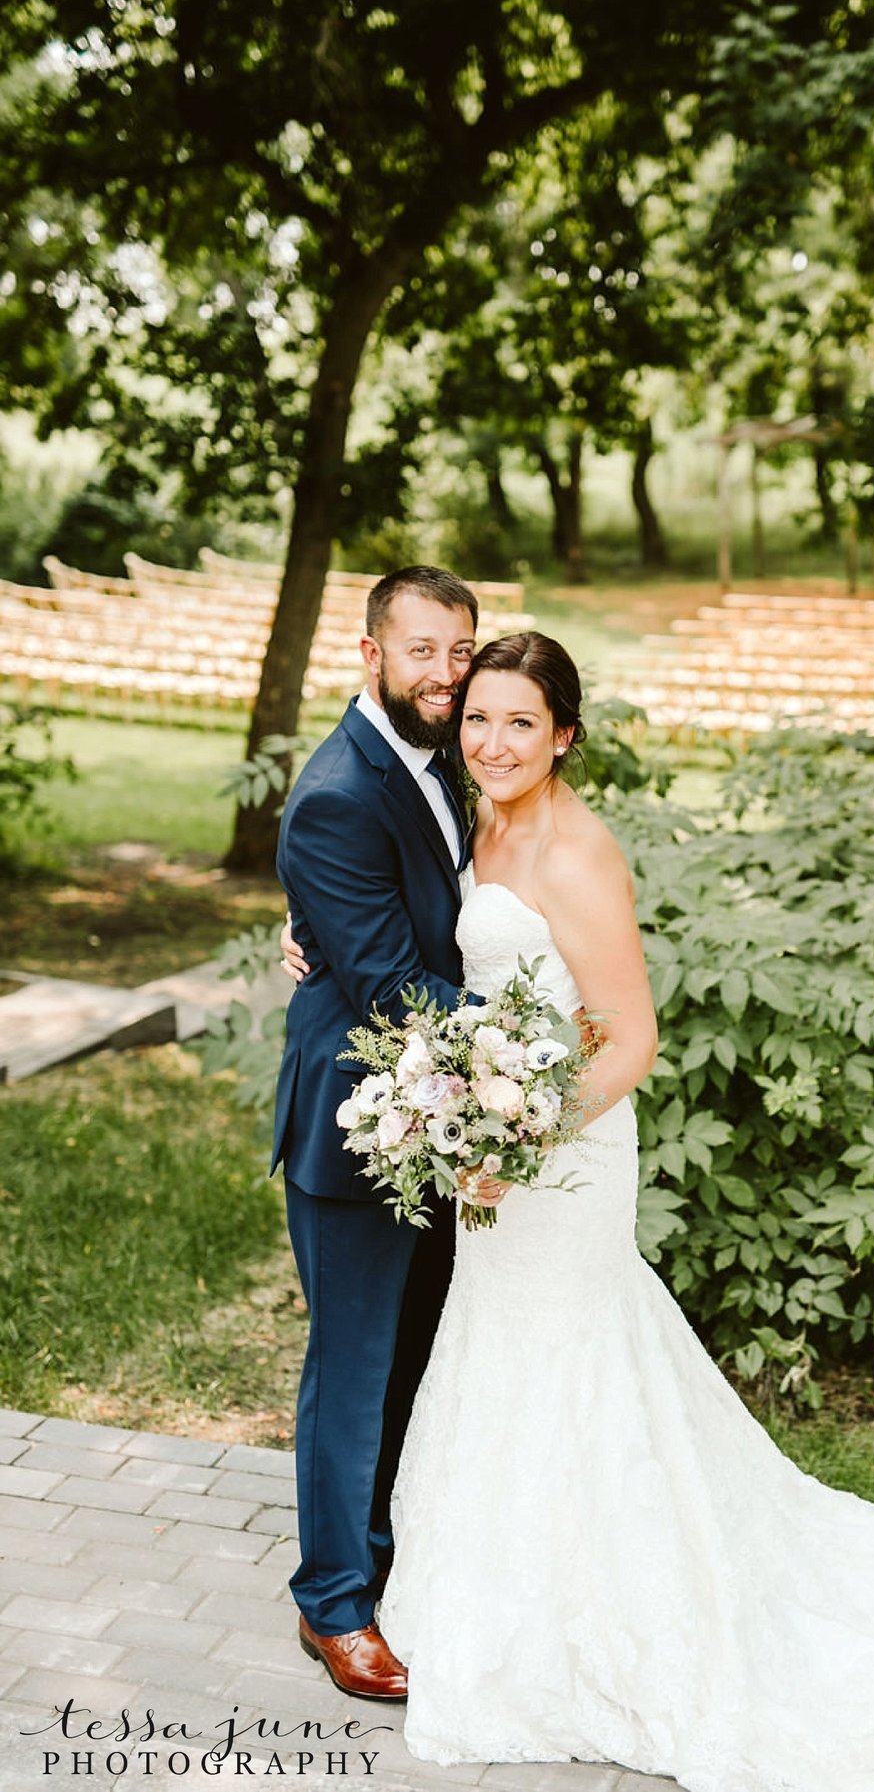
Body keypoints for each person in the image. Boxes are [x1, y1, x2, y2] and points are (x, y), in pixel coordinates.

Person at [366, 630, 874, 1792]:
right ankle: (508, 1591)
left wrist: (517, 1139)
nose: (494, 741)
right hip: (497, 1153)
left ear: (565, 733)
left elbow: (630, 1037)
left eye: (522, 722)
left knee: (574, 1359)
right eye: (478, 717)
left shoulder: (575, 852)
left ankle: (621, 1612)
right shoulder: (479, 823)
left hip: (560, 1156)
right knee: (503, 1356)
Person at [272, 565, 478, 1700]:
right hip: (359, 1123)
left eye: (459, 651)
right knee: (350, 1373)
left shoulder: (437, 756)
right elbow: (399, 988)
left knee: (410, 1360)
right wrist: (533, 1044)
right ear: (370, 654)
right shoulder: (343, 787)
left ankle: (386, 1555)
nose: (444, 675)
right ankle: (333, 1605)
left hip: (441, 1115)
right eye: (421, 652)